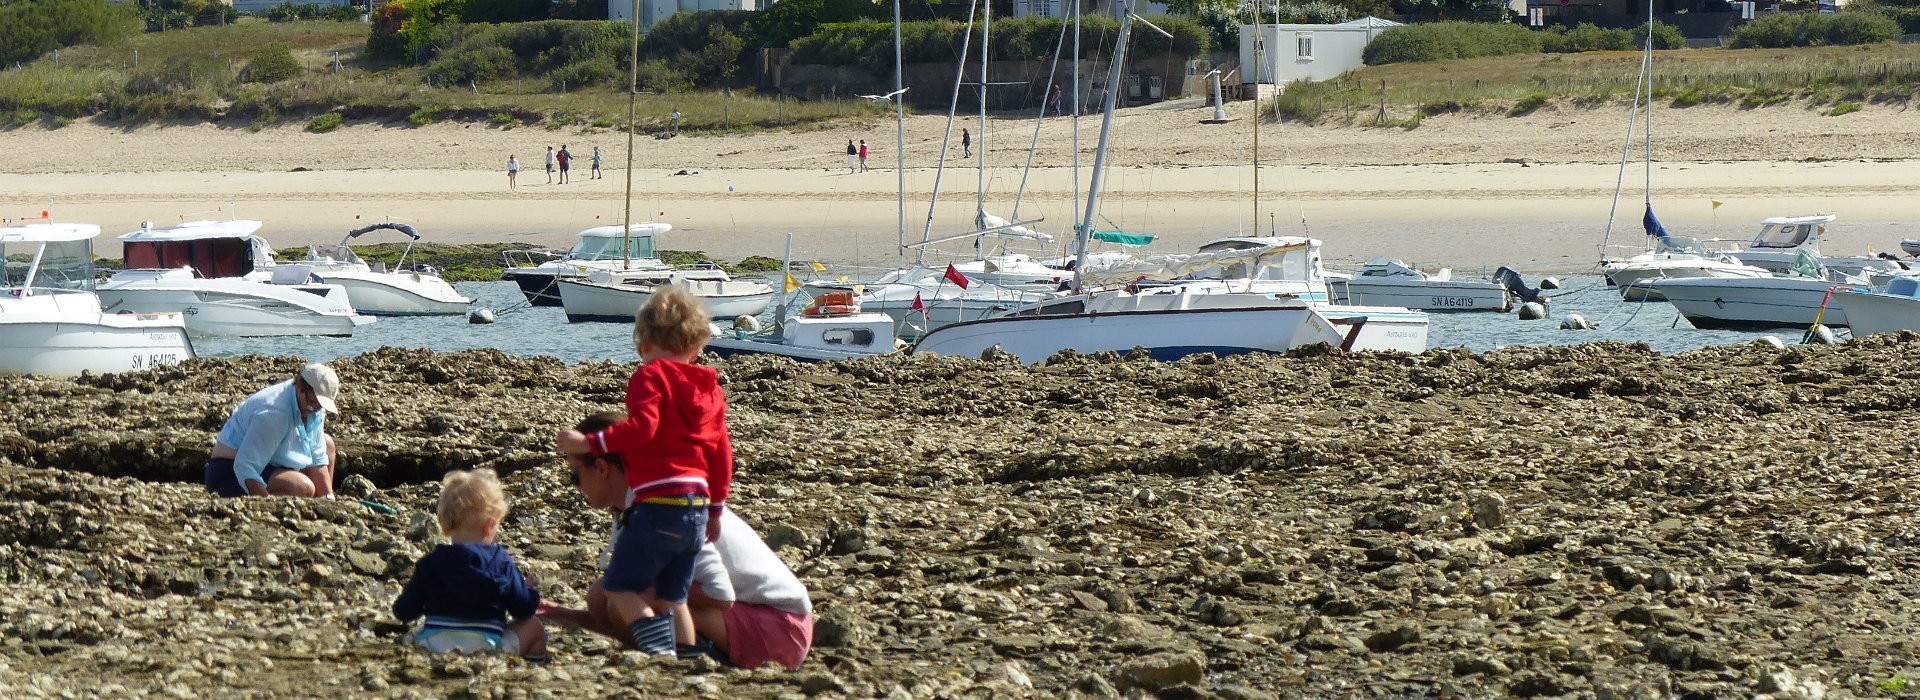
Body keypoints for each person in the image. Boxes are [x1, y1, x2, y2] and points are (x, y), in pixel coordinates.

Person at [547, 412, 812, 669]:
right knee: (603, 594)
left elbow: (721, 597)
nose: (576, 486)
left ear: (602, 468)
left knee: (629, 593)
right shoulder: (635, 506)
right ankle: (671, 652)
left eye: (575, 475)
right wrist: (567, 616)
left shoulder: (665, 510)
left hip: (783, 628)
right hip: (760, 620)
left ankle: (687, 658)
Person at [553, 287, 733, 657]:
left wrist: (587, 444)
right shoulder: (710, 390)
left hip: (658, 502)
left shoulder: (650, 377)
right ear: (697, 346)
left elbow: (642, 429)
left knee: (620, 587)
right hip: (696, 504)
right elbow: (721, 455)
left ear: (643, 343)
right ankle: (687, 657)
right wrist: (714, 509)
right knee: (674, 595)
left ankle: (657, 646)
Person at [393, 469, 548, 662]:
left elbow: (404, 611)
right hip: (485, 650)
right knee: (533, 627)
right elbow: (523, 609)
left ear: (445, 523)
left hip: (432, 646)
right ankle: (532, 669)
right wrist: (527, 589)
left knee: (422, 630)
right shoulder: (500, 562)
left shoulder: (430, 563)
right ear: (490, 525)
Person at [204, 363, 341, 498]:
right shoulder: (274, 413)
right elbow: (244, 466)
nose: (314, 409)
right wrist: (267, 505)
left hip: (268, 461)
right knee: (302, 487)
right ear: (300, 387)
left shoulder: (315, 409)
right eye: (311, 402)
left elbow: (317, 458)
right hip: (228, 469)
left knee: (327, 444)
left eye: (320, 406)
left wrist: (328, 500)